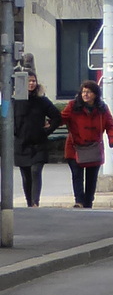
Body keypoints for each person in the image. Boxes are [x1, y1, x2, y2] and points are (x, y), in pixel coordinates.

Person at [61, 79, 113, 208]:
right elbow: (62, 118)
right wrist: (48, 124)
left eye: (89, 92)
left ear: (95, 94)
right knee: (77, 176)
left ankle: (88, 202)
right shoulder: (73, 106)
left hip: (93, 148)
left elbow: (111, 126)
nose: (85, 94)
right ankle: (79, 201)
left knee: (91, 178)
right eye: (83, 92)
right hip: (75, 148)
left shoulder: (102, 109)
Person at [13, 71, 63, 207]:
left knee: (35, 171)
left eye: (33, 81)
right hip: (21, 144)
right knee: (26, 176)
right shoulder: (14, 102)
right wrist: (14, 131)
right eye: (28, 81)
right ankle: (29, 202)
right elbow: (7, 118)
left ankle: (35, 202)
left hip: (38, 144)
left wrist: (47, 130)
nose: (31, 83)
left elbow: (57, 117)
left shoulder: (42, 101)